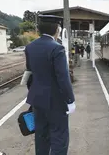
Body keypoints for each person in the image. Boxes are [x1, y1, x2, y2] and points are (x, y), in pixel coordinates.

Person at [24, 17, 76, 155]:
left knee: (41, 135)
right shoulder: (57, 48)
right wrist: (70, 100)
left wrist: (34, 93)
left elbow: (30, 74)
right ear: (57, 30)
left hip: (37, 100)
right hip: (56, 101)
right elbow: (63, 78)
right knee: (59, 136)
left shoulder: (30, 47)